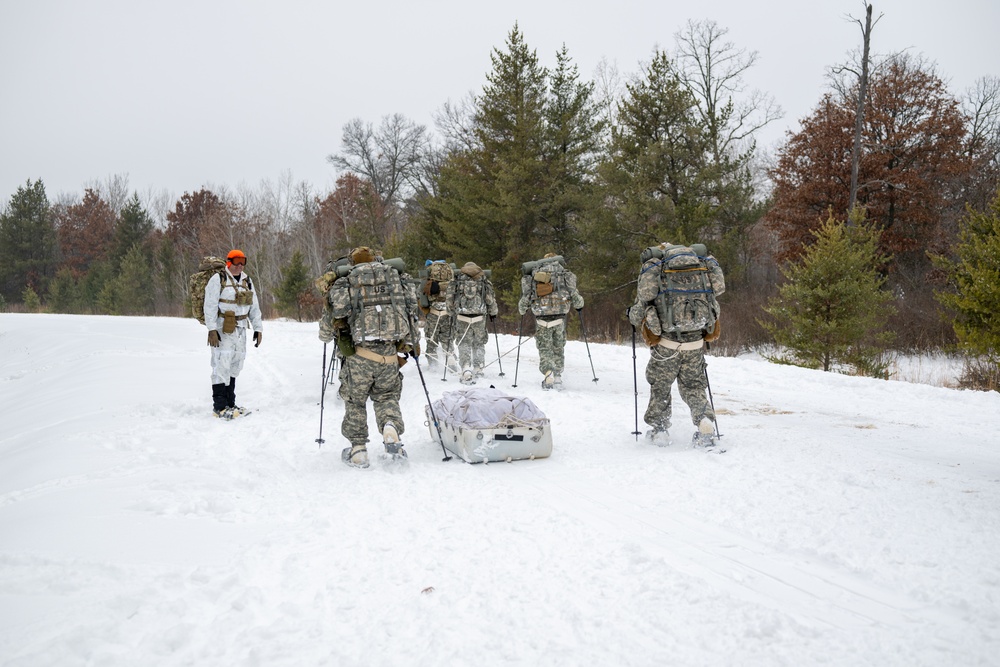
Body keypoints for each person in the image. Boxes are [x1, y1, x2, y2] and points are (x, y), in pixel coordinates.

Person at [322, 247, 419, 468]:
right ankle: (390, 429)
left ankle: (358, 451)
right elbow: (412, 311)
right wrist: (414, 342)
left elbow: (331, 318)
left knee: (355, 401)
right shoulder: (394, 277)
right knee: (386, 397)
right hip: (389, 354)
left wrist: (326, 336)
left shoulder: (346, 281)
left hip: (359, 355)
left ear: (351, 262)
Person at [628, 242, 725, 447]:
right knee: (694, 386)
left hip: (666, 345)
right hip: (696, 343)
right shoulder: (699, 268)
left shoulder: (658, 270)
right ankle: (704, 422)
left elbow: (641, 308)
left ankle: (660, 430)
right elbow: (716, 293)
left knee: (660, 386)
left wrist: (632, 316)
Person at [204, 249, 263, 419]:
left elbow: (254, 306)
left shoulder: (247, 280)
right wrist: (212, 329)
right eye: (236, 261)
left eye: (243, 262)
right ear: (229, 262)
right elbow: (209, 306)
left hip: (241, 329)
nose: (240, 266)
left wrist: (258, 328)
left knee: (235, 365)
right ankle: (220, 407)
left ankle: (231, 403)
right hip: (223, 330)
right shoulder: (218, 279)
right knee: (221, 365)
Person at [517, 253, 585, 390]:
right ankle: (558, 375)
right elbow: (577, 299)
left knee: (545, 348)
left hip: (542, 319)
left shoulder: (535, 275)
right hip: (559, 318)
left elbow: (526, 298)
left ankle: (549, 375)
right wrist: (579, 305)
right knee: (558, 347)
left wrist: (522, 310)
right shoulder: (564, 275)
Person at [446, 261, 498, 384]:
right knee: (479, 342)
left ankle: (466, 369)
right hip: (479, 317)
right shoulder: (483, 279)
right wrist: (493, 313)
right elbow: (490, 299)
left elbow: (449, 298)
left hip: (462, 316)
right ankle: (478, 367)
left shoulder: (457, 280)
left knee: (464, 342)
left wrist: (450, 312)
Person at [420, 260, 456, 370]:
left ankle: (433, 365)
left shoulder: (428, 281)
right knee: (448, 339)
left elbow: (421, 298)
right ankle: (451, 363)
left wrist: (425, 311)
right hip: (447, 313)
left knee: (431, 340)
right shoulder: (451, 280)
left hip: (433, 314)